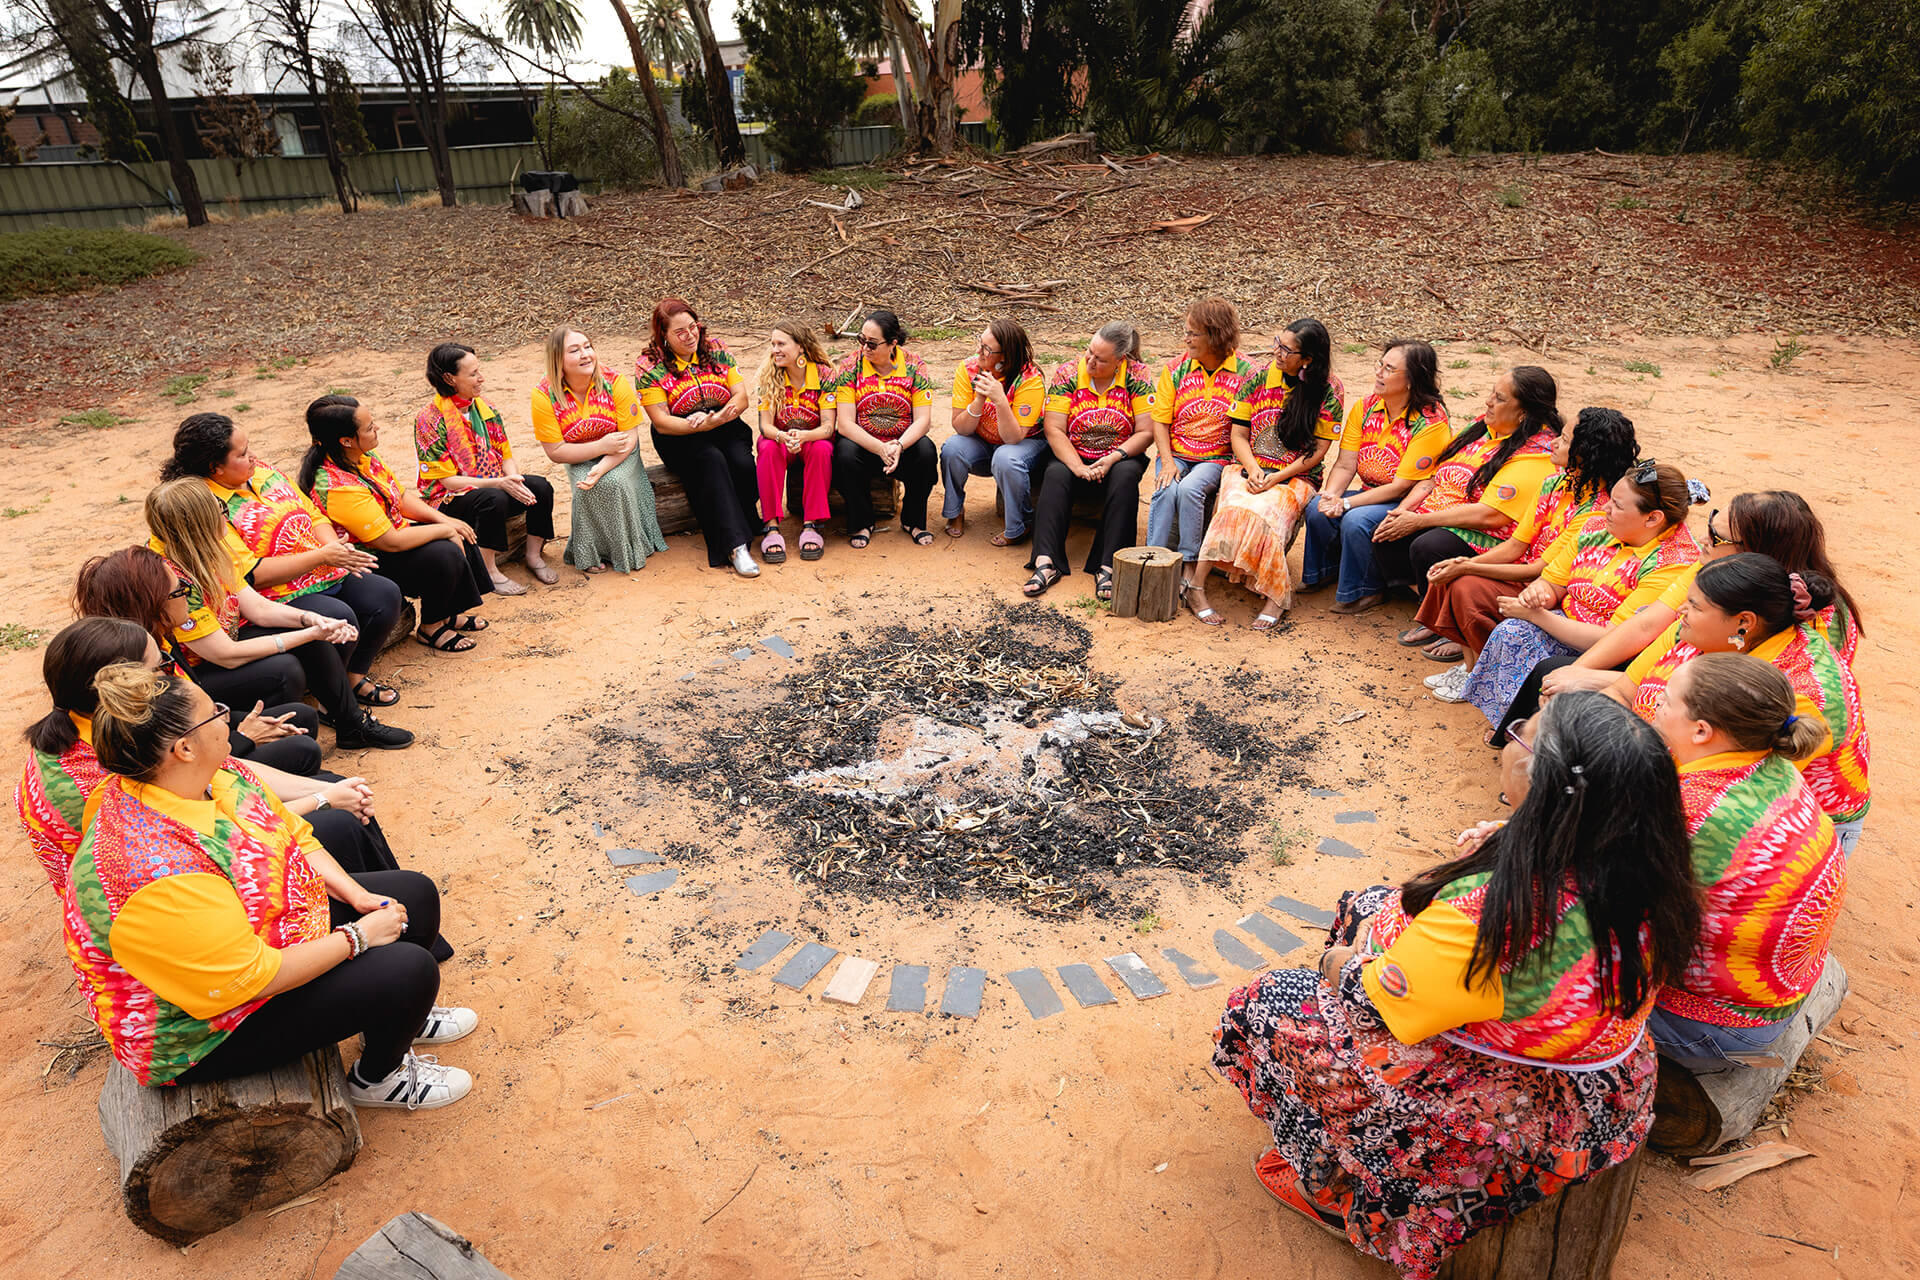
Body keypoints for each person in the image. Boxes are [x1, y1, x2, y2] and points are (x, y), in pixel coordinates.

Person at [1212, 692, 1698, 1278]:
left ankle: (1342, 1192)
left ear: (1542, 785)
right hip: (1599, 1074)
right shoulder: (1649, 861)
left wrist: (1339, 961)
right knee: (1366, 903)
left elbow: (1375, 1004)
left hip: (1505, 1113)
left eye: (1519, 737)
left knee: (1267, 1004)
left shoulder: (1492, 917)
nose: (1508, 739)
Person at [64, 663, 475, 1105]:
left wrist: (356, 896)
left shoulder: (201, 778)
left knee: (413, 893)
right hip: (202, 1030)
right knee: (407, 970)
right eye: (215, 713)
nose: (228, 719)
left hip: (246, 940)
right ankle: (378, 1078)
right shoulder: (158, 871)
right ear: (184, 747)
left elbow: (292, 834)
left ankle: (398, 1016)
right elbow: (248, 979)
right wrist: (357, 936)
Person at [17, 617, 408, 897]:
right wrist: (323, 800)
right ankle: (380, 916)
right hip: (172, 885)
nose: (170, 675)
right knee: (337, 821)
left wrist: (332, 790)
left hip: (188, 843)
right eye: (161, 668)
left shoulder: (100, 727)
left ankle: (380, 904)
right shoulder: (100, 772)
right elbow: (212, 833)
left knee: (330, 786)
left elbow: (227, 773)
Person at [1644, 654, 1847, 1065]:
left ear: (1701, 731)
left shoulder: (1691, 809)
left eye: (1665, 701)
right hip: (1775, 995)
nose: (1656, 708)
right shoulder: (1775, 765)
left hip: (1717, 1027)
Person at [1614, 554, 1870, 853]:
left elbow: (1735, 791)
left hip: (1774, 832)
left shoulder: (1799, 693)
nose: (1681, 610)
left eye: (1695, 606)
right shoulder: (1716, 635)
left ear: (1744, 621)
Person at [141, 483, 415, 751]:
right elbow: (224, 654)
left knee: (312, 638)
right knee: (286, 670)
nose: (227, 516)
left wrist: (310, 620)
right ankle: (270, 746)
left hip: (226, 638)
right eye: (219, 510)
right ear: (197, 525)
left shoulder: (212, 549)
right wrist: (305, 633)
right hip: (194, 672)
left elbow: (257, 607)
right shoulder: (174, 580)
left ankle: (351, 725)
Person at [160, 413, 406, 711]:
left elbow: (312, 513)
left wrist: (333, 549)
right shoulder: (205, 507)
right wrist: (322, 557)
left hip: (321, 569)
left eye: (249, 447)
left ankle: (350, 679)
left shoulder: (262, 471)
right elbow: (253, 575)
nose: (254, 457)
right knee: (339, 615)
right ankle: (332, 697)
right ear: (215, 468)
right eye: (242, 454)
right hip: (277, 591)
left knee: (384, 595)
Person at [1462, 460, 1702, 738]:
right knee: (1510, 631)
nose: (1605, 509)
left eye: (1618, 506)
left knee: (1532, 647)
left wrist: (1538, 616)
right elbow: (1553, 581)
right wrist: (1540, 593)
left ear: (1652, 518)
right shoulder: (1596, 527)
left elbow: (1615, 638)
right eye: (1610, 499)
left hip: (1612, 649)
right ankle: (1509, 722)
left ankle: (1534, 735)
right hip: (1563, 621)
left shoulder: (1671, 563)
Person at [1414, 407, 1638, 699]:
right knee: (1451, 576)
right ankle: (1470, 667)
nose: (1554, 442)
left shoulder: (1595, 509)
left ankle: (1477, 673)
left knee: (1465, 586)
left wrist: (1469, 568)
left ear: (1585, 452)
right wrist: (1466, 563)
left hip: (1545, 585)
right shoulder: (1554, 483)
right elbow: (1516, 546)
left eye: (1565, 439)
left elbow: (1539, 570)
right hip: (1527, 570)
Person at [1547, 489, 1865, 693]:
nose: (1704, 538)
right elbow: (1650, 625)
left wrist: (1600, 682)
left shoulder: (1806, 615)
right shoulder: (1713, 566)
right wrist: (1580, 673)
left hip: (1726, 714)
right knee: (1552, 676)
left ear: (1757, 551)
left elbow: (1736, 695)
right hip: (1679, 680)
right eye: (1711, 521)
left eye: (1717, 535)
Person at [72, 549, 330, 772]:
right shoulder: (138, 669)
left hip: (199, 733)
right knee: (301, 748)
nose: (188, 595)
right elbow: (172, 762)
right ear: (151, 604)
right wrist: (244, 738)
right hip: (186, 765)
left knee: (302, 718)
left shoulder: (159, 638)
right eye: (179, 590)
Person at [301, 394, 493, 654]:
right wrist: (446, 529)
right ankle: (431, 627)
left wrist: (444, 519)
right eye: (369, 428)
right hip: (369, 560)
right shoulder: (336, 486)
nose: (377, 428)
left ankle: (448, 613)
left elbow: (399, 496)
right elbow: (389, 543)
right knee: (445, 551)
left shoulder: (362, 456)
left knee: (460, 532)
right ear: (346, 441)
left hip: (391, 535)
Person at [1186, 318, 1344, 629]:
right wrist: (1254, 468)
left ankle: (1275, 595)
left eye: (1287, 349)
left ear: (1308, 359)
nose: (1277, 352)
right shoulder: (1258, 377)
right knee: (1233, 508)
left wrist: (1277, 476)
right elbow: (1238, 435)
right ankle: (1196, 587)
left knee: (1272, 513)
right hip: (1248, 465)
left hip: (1297, 474)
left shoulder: (1329, 388)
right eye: (1277, 343)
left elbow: (1318, 451)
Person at [1369, 366, 1563, 599]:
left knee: (1429, 545)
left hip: (1491, 534)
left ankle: (1438, 607)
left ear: (1523, 413)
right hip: (1442, 512)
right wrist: (1402, 512)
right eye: (1492, 393)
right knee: (1385, 532)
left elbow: (1491, 516)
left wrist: (1419, 521)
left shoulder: (1535, 454)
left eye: (1499, 398)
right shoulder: (1483, 426)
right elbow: (1435, 476)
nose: (1488, 402)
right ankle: (1425, 597)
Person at [1298, 340, 1453, 613]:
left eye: (1389, 369)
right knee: (1316, 507)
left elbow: (1401, 486)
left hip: (1407, 501)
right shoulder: (1367, 406)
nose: (1379, 373)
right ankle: (1326, 572)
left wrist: (1346, 504)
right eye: (1380, 365)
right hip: (1372, 491)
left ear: (1411, 380)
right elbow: (1345, 464)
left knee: (1357, 519)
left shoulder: (1430, 422)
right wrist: (1331, 494)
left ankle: (1367, 590)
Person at [1024, 323, 1155, 598]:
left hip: (1119, 455)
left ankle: (1108, 564)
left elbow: (1146, 431)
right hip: (1073, 451)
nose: (1090, 361)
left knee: (1127, 474)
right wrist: (1078, 467)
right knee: (1056, 474)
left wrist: (1113, 458)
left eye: (1101, 359)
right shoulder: (1068, 373)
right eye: (1089, 351)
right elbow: (1054, 429)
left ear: (1121, 360)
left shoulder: (1137, 376)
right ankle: (1046, 561)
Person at [1145, 298, 1257, 617]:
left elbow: (1246, 427)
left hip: (1217, 457)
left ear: (1216, 335)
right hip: (1177, 453)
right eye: (1186, 332)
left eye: (1194, 333)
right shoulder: (1176, 369)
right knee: (1167, 488)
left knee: (1190, 489)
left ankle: (1189, 568)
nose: (1187, 339)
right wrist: (1166, 461)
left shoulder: (1247, 372)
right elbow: (1160, 420)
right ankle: (1153, 560)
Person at [418, 342, 560, 594]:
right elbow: (448, 482)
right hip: (450, 498)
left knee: (540, 486)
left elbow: (505, 455)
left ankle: (533, 555)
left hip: (490, 484)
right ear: (450, 378)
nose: (481, 378)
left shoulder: (485, 408)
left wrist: (513, 478)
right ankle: (489, 571)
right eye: (473, 374)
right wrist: (500, 483)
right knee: (493, 498)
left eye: (479, 370)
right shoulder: (429, 419)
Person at [634, 298, 762, 578]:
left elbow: (741, 397)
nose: (690, 335)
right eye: (680, 332)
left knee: (741, 463)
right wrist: (699, 427)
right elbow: (662, 421)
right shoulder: (648, 365)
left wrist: (721, 417)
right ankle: (734, 546)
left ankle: (749, 518)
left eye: (693, 327)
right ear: (663, 336)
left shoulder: (716, 348)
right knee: (711, 460)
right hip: (680, 433)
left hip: (724, 420)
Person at [530, 325, 668, 574]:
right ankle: (589, 552)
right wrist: (597, 451)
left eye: (588, 347)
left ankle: (628, 549)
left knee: (612, 482)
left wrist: (602, 466)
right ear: (557, 360)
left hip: (621, 452)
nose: (585, 354)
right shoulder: (543, 395)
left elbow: (629, 437)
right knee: (586, 485)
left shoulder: (614, 381)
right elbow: (556, 451)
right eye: (574, 350)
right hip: (578, 455)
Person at [831, 309, 939, 548]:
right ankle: (862, 521)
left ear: (893, 343)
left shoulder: (914, 365)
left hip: (902, 444)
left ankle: (913, 520)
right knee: (844, 454)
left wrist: (898, 445)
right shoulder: (851, 366)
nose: (864, 348)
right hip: (865, 443)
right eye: (861, 340)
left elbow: (923, 420)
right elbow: (846, 424)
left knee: (926, 452)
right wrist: (880, 448)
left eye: (872, 343)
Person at [940, 319, 1049, 544]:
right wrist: (979, 400)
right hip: (984, 442)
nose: (978, 351)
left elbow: (1013, 437)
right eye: (980, 343)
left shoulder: (1030, 380)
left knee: (1005, 457)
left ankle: (1019, 526)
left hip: (1026, 444)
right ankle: (955, 512)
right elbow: (960, 427)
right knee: (952, 448)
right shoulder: (968, 369)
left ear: (1005, 358)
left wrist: (1000, 400)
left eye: (987, 349)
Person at [752, 320, 837, 564]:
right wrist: (783, 436)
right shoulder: (768, 376)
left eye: (781, 344)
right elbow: (765, 426)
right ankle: (771, 525)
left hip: (813, 438)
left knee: (822, 449)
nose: (775, 350)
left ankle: (812, 524)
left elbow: (828, 426)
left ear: (800, 347)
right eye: (772, 344)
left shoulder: (824, 375)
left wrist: (803, 436)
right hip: (780, 439)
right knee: (766, 447)